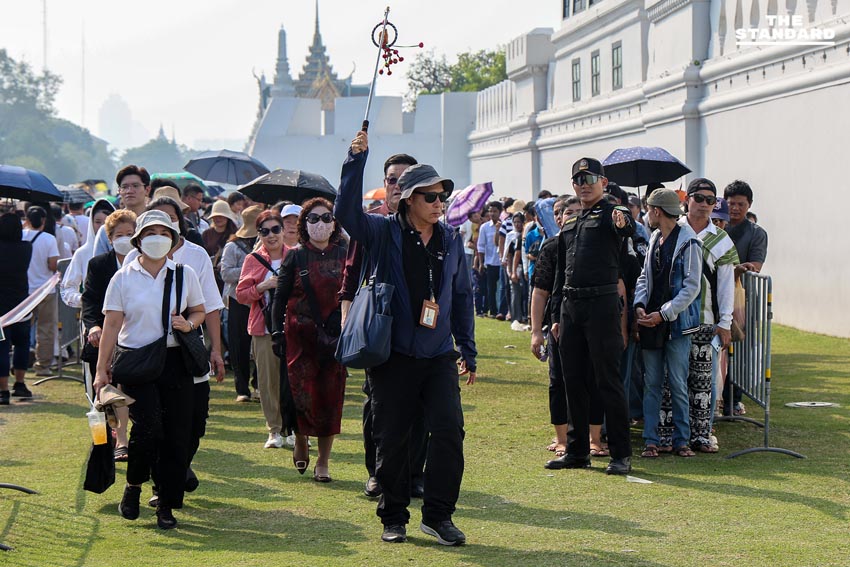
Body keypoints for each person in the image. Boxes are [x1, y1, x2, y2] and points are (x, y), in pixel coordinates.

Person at [336, 130, 477, 546]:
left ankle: (438, 516)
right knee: (392, 439)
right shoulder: (383, 232)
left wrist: (468, 349)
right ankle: (393, 516)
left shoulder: (451, 239)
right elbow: (346, 213)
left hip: (438, 355)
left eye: (442, 196)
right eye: (430, 196)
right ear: (409, 199)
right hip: (392, 355)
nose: (439, 203)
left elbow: (462, 296)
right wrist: (355, 161)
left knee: (449, 431)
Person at [94, 209, 206, 530]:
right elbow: (111, 324)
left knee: (176, 434)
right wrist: (101, 370)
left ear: (173, 239)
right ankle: (133, 486)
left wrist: (188, 324)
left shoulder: (184, 273)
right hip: (136, 362)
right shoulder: (123, 277)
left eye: (164, 233)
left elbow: (199, 310)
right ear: (138, 240)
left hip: (175, 362)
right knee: (148, 429)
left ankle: (166, 503)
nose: (157, 238)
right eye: (150, 233)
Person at [338, 152, 428, 500]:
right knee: (378, 402)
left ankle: (414, 473)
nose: (398, 186)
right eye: (393, 180)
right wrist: (348, 319)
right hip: (379, 324)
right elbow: (351, 276)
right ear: (385, 183)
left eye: (406, 180)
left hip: (421, 327)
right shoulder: (373, 224)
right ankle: (377, 472)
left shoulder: (431, 225)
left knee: (419, 402)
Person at [123, 196, 226, 499]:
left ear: (178, 224)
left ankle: (178, 468)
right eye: (153, 225)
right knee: (154, 425)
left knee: (192, 425)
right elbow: (119, 315)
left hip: (187, 355)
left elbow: (209, 307)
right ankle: (162, 485)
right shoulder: (131, 264)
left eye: (169, 221)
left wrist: (215, 350)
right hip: (147, 358)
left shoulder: (196, 257)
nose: (160, 231)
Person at [546, 157, 635, 475]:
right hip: (571, 307)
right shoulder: (571, 222)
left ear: (603, 182)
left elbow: (626, 224)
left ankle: (621, 454)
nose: (583, 185)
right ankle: (577, 451)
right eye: (578, 180)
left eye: (589, 179)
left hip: (601, 305)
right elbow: (561, 274)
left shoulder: (612, 213)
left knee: (607, 380)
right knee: (572, 380)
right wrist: (556, 315)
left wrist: (622, 218)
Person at [271, 199, 347, 482]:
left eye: (326, 218)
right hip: (299, 339)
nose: (320, 224)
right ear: (304, 224)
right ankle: (301, 439)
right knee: (299, 396)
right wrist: (276, 333)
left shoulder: (345, 254)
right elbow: (279, 298)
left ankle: (324, 461)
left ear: (334, 223)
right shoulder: (296, 256)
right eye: (313, 219)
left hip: (334, 340)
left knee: (330, 400)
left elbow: (354, 293)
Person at [634, 189, 702, 458]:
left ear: (657, 211)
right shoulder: (654, 238)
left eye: (649, 209)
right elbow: (644, 276)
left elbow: (691, 287)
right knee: (651, 382)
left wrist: (664, 313)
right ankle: (651, 439)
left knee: (677, 382)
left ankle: (681, 440)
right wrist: (640, 304)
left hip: (676, 322)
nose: (647, 214)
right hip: (651, 319)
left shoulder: (690, 242)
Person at [681, 179, 739, 453]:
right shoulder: (673, 229)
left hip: (706, 321)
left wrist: (725, 323)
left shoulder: (721, 239)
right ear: (687, 200)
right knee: (673, 380)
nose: (705, 204)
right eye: (699, 198)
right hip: (674, 321)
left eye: (710, 200)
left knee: (704, 382)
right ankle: (676, 435)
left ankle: (702, 435)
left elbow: (727, 286)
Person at [81, 210, 137, 460]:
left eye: (129, 234)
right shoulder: (98, 264)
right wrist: (93, 326)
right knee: (106, 392)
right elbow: (90, 300)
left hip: (135, 338)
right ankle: (111, 440)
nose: (124, 239)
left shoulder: (145, 263)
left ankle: (126, 438)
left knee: (129, 390)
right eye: (118, 235)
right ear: (110, 238)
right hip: (103, 337)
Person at [236, 210, 289, 449]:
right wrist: (263, 286)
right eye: (265, 231)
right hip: (264, 328)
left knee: (293, 381)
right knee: (268, 382)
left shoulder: (295, 255)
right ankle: (274, 430)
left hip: (293, 327)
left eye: (275, 229)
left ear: (283, 230)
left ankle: (293, 429)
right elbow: (241, 295)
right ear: (259, 234)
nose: (271, 235)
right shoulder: (253, 259)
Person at [722, 180, 768, 416]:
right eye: (731, 203)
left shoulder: (757, 233)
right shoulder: (716, 226)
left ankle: (733, 400)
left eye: (741, 204)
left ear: (749, 205)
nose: (735, 208)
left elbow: (755, 267)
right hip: (716, 297)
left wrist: (733, 271)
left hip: (744, 299)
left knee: (740, 351)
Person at [220, 205, 262, 402]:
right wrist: (250, 269)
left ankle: (259, 385)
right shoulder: (232, 246)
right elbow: (226, 273)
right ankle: (242, 389)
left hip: (261, 299)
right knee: (239, 345)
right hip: (237, 300)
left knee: (261, 344)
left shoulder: (266, 244)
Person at [23, 206, 60, 376]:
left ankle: (19, 360)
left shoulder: (20, 235)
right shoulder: (49, 239)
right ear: (44, 220)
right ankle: (43, 365)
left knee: (21, 328)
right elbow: (53, 265)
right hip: (46, 290)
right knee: (45, 329)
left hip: (24, 290)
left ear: (27, 219)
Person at [0, 213, 33, 403]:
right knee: (22, 344)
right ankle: (20, 384)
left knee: (1, 348)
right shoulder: (26, 248)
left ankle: (3, 390)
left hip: (1, 310)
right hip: (22, 306)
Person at [60, 199, 116, 310]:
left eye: (107, 222)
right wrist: (83, 299)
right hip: (92, 314)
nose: (102, 227)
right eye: (98, 222)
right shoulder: (82, 253)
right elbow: (68, 288)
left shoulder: (124, 251)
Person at [477, 201, 502, 318]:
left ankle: (502, 310)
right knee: (491, 288)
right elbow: (481, 246)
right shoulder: (485, 227)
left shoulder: (504, 225)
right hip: (490, 261)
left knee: (502, 288)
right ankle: (493, 311)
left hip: (502, 262)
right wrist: (481, 263)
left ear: (500, 212)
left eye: (495, 211)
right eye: (490, 211)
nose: (492, 214)